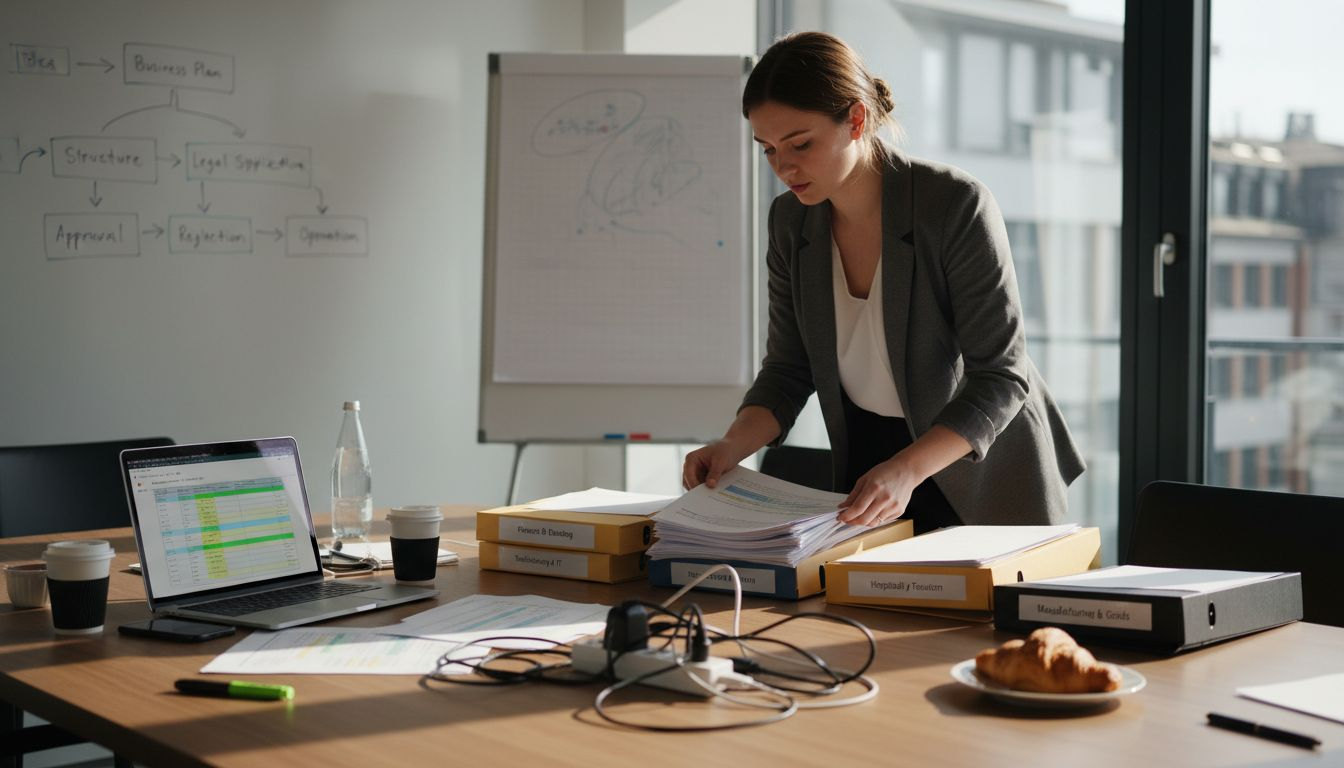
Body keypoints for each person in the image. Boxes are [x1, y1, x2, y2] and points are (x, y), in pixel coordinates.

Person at [682, 32, 1085, 533]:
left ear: (856, 119)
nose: (783, 167)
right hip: (869, 472)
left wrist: (907, 470)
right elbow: (789, 369)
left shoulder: (954, 206)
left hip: (973, 469)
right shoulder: (791, 222)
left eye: (800, 144)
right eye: (767, 150)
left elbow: (1001, 378)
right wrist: (730, 446)